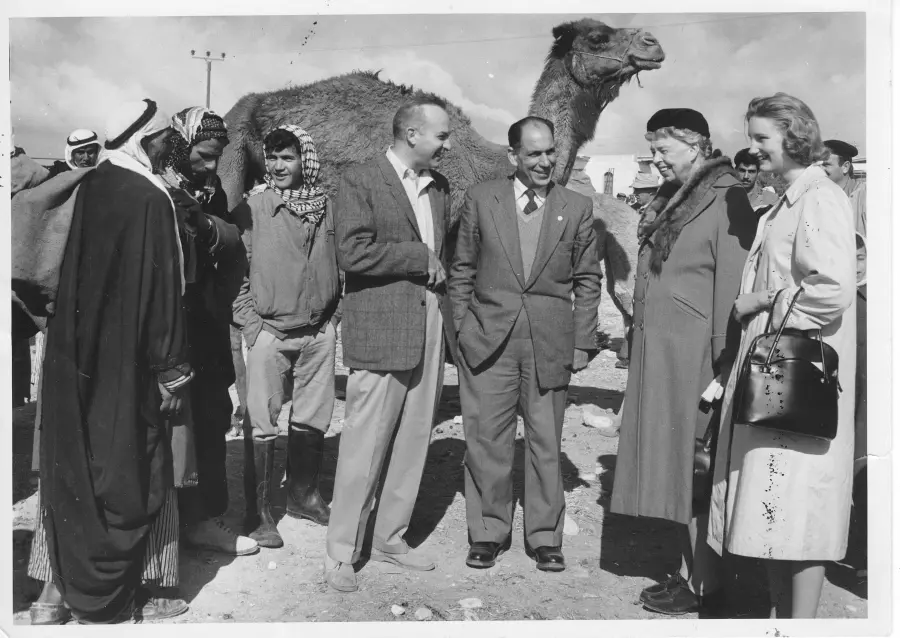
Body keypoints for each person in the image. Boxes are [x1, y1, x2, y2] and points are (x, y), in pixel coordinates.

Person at [37, 98, 192, 624]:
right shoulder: (150, 197)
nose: (167, 143)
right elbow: (163, 289)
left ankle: (58, 591)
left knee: (75, 462)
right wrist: (172, 366)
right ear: (139, 139)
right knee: (133, 457)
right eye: (160, 136)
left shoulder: (80, 186)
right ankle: (133, 588)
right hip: (127, 357)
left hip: (69, 354)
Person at [708, 93, 857, 619]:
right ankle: (778, 619)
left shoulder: (819, 199)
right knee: (771, 508)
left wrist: (762, 302)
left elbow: (831, 289)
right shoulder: (787, 198)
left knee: (801, 511)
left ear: (794, 137)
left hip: (797, 376)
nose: (752, 149)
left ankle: (800, 625)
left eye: (761, 139)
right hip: (773, 376)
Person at [610, 108, 757, 615]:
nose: (656, 158)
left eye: (664, 150)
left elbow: (733, 290)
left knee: (698, 467)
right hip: (668, 353)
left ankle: (703, 585)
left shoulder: (727, 198)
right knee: (682, 467)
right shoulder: (677, 197)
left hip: (698, 358)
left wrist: (724, 366)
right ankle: (690, 573)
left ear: (696, 146)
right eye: (653, 148)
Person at [449, 116, 602, 572]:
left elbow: (588, 280)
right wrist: (461, 330)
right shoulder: (482, 198)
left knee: (545, 442)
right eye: (534, 153)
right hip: (487, 341)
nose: (545, 161)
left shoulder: (575, 206)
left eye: (550, 152)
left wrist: (581, 342)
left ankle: (544, 537)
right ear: (513, 156)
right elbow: (462, 270)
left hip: (548, 343)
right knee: (485, 441)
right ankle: (487, 533)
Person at [324, 95, 457, 592]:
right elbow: (352, 252)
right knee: (364, 443)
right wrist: (418, 256)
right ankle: (341, 552)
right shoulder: (360, 178)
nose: (447, 145)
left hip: (428, 323)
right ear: (412, 134)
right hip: (380, 327)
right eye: (441, 136)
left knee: (414, 439)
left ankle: (389, 538)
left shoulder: (439, 187)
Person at [231, 124, 342, 548]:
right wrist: (252, 325)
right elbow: (234, 273)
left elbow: (342, 263)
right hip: (270, 333)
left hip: (319, 333)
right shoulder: (253, 208)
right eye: (272, 157)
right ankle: (257, 512)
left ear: (305, 161)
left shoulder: (326, 206)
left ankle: (303, 494)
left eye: (288, 157)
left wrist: (334, 317)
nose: (278, 166)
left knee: (314, 416)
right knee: (262, 421)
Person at [159, 107, 258, 556]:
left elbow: (231, 243)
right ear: (181, 146)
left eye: (217, 157)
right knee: (170, 422)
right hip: (168, 326)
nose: (212, 166)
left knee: (213, 414)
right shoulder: (157, 189)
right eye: (203, 154)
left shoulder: (210, 190)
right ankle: (167, 524)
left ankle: (206, 517)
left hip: (207, 322)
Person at [823, 139, 867, 480]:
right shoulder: (828, 198)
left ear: (846, 167)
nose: (822, 170)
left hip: (864, 297)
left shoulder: (863, 196)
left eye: (827, 164)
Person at [734, 147, 780, 215]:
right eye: (742, 171)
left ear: (758, 172)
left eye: (751, 172)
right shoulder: (723, 198)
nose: (746, 176)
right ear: (735, 170)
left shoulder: (771, 200)